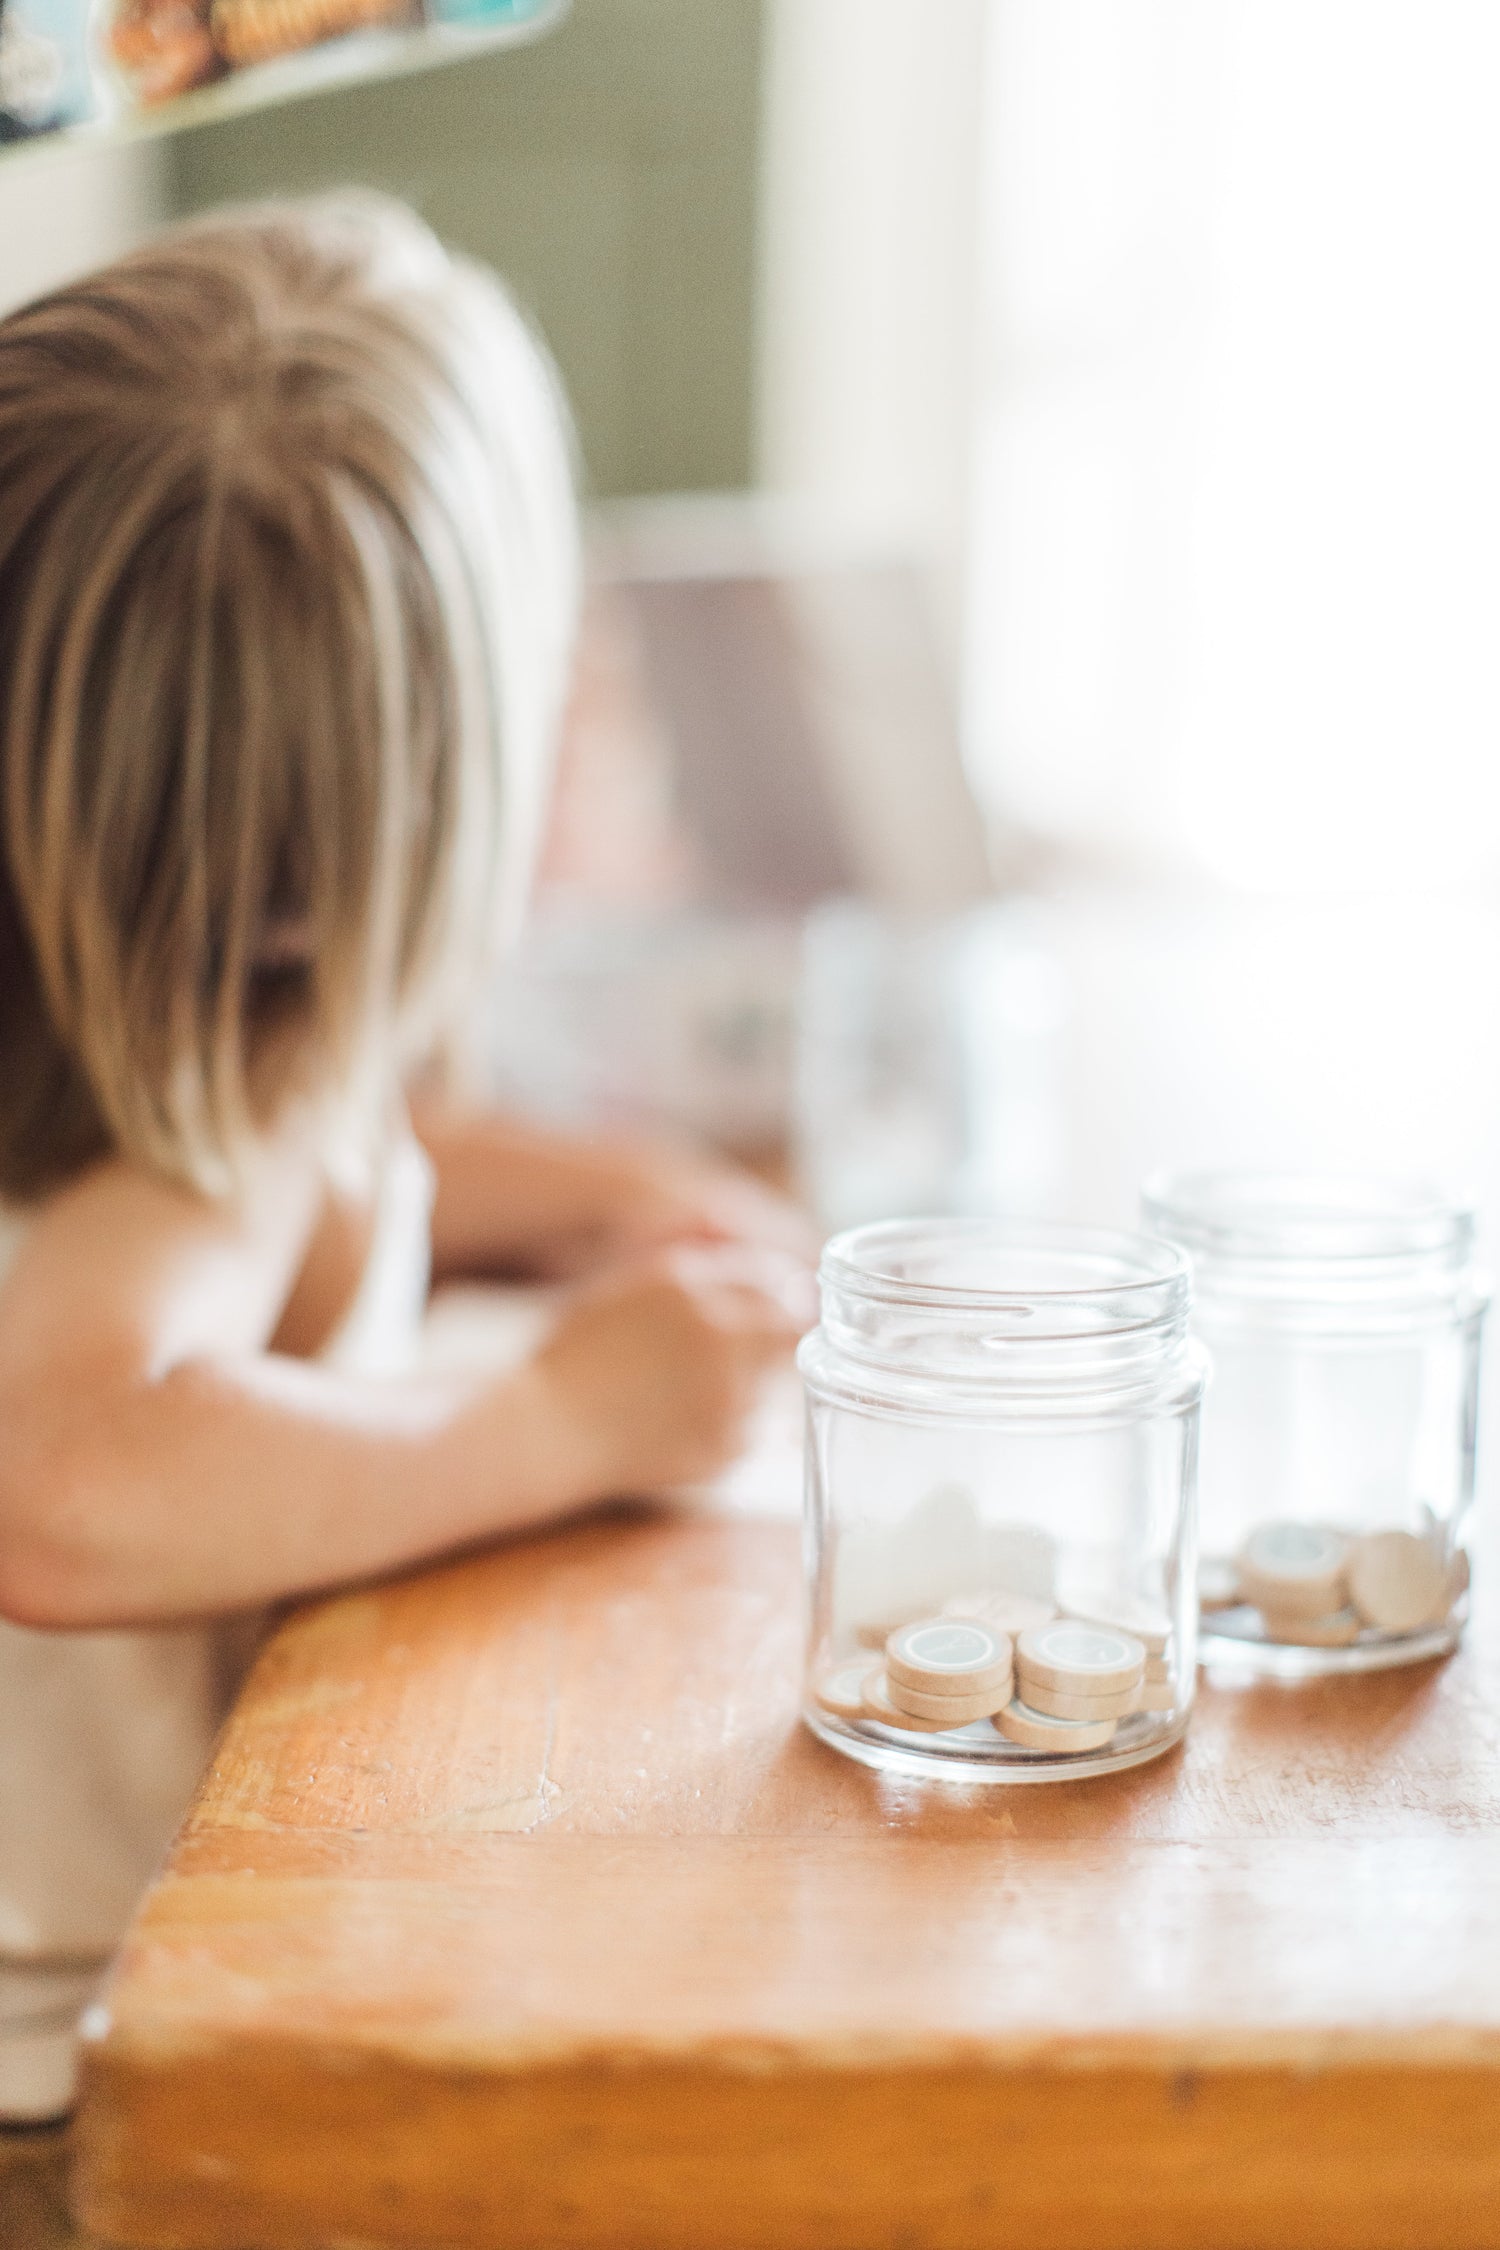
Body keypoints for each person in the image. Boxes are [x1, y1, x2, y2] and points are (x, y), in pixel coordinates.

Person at [0, 194, 812, 2119]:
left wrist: (611, 1205)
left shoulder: (152, 1025)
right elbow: (59, 1477)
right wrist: (564, 1415)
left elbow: (374, 1143)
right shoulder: (227, 1135)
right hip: (73, 2100)